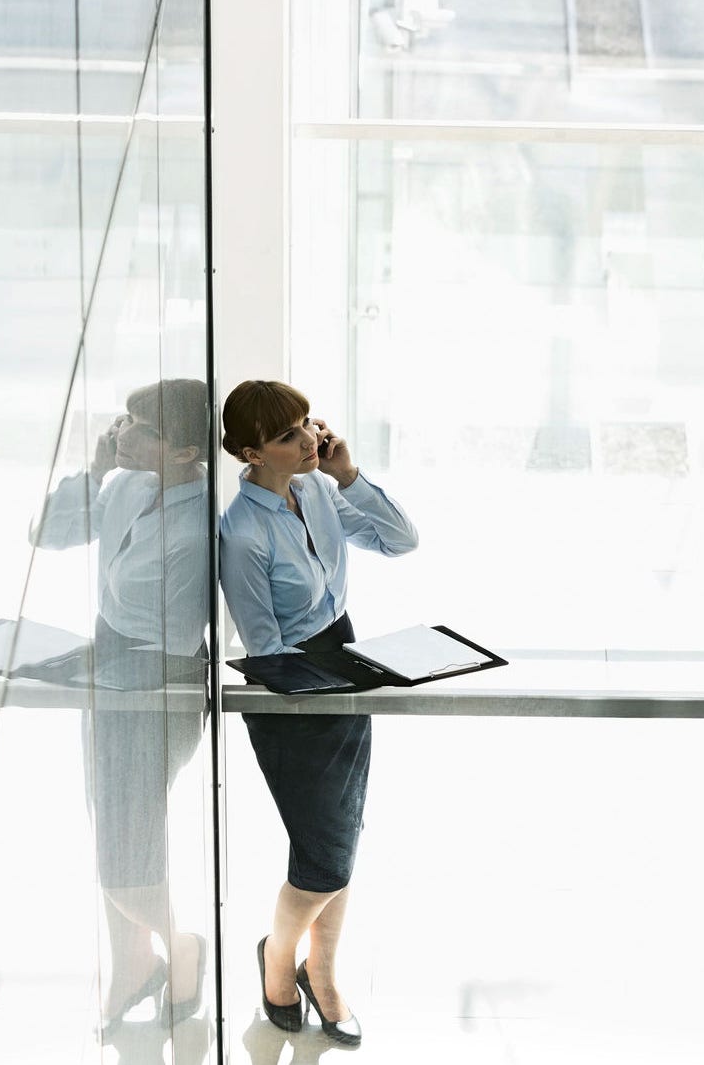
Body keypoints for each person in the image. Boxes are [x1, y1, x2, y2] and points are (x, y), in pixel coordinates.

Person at [219, 379, 418, 1047]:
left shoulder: (316, 490)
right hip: (292, 690)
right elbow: (263, 643)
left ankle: (322, 972)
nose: (307, 439)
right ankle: (281, 959)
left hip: (343, 661)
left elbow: (400, 540)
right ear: (251, 451)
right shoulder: (241, 531)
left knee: (340, 839)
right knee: (323, 857)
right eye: (286, 435)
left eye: (306, 423)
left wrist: (348, 473)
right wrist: (322, 687)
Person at [31, 378, 210, 1033]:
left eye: (142, 429)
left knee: (125, 855)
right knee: (111, 828)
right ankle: (131, 961)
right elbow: (43, 533)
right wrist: (97, 470)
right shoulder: (128, 482)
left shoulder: (200, 522)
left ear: (186, 450)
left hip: (154, 683)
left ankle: (181, 944)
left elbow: (153, 612)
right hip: (110, 667)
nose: (121, 433)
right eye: (126, 420)